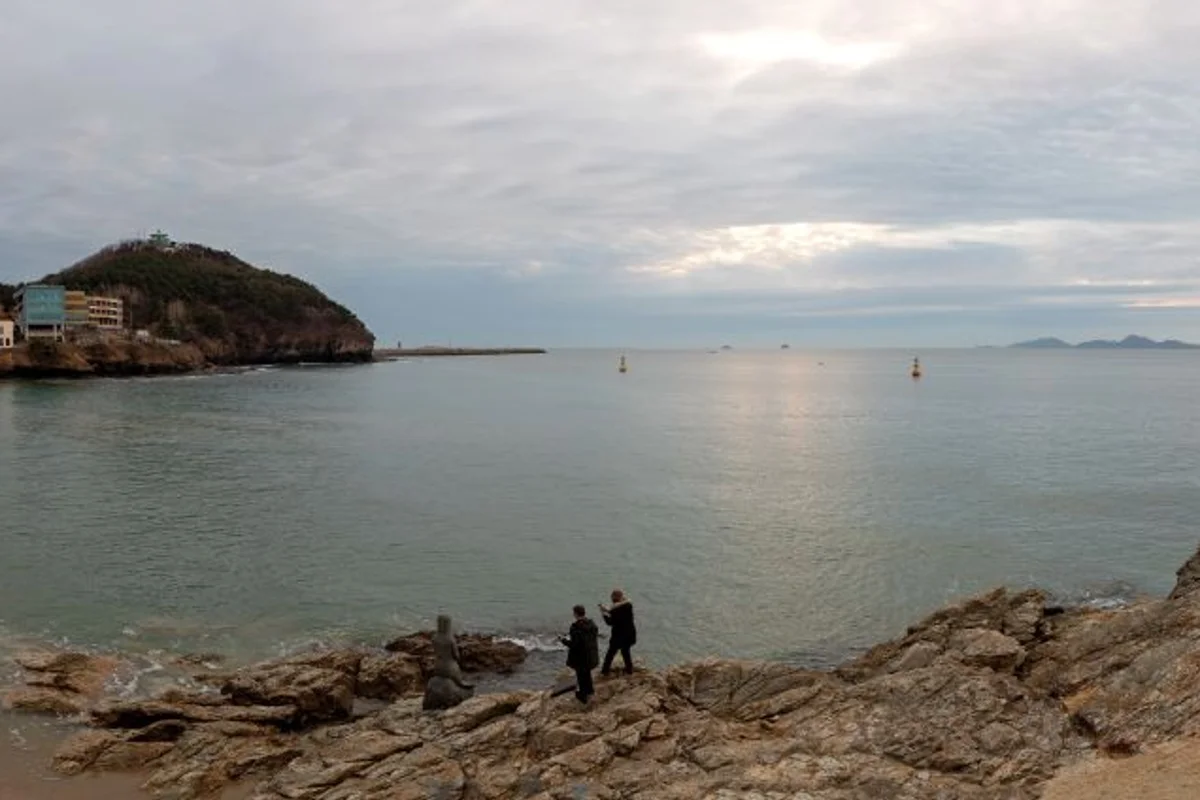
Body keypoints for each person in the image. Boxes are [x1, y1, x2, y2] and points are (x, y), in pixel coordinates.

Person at [560, 604, 599, 704]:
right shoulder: (592, 624)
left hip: (580, 657)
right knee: (587, 674)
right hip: (591, 654)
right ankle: (590, 691)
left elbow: (574, 645)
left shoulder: (576, 627)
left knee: (581, 675)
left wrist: (563, 640)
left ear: (575, 614)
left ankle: (583, 696)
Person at [599, 589, 636, 676]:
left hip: (618, 636)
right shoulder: (628, 606)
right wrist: (607, 609)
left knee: (610, 654)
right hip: (630, 635)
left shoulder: (615, 610)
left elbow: (610, 622)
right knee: (625, 652)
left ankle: (605, 671)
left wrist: (603, 613)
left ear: (613, 598)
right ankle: (629, 670)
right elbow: (621, 604)